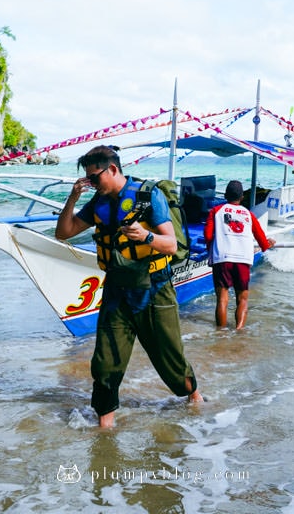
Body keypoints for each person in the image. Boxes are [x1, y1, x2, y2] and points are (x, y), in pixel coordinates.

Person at [54, 145, 202, 427]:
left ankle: (194, 396)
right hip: (116, 289)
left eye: (94, 177)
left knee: (169, 360)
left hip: (154, 286)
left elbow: (171, 244)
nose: (92, 184)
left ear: (112, 169)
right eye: (87, 179)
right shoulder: (97, 201)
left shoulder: (148, 196)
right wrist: (73, 197)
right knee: (105, 361)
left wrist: (146, 236)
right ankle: (105, 427)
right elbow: (64, 233)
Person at [203, 180, 276, 330]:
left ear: (225, 195)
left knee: (222, 300)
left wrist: (211, 248)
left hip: (222, 258)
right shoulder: (249, 215)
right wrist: (270, 243)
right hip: (243, 259)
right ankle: (239, 331)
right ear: (242, 197)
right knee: (242, 299)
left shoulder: (216, 211)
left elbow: (208, 235)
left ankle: (221, 333)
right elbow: (263, 243)